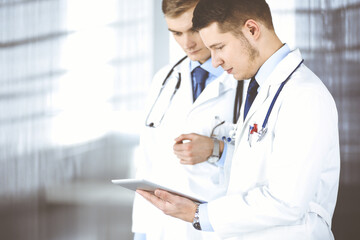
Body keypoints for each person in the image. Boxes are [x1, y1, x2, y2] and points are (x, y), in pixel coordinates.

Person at [137, 0, 341, 239]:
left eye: (219, 47)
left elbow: (287, 202)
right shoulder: (262, 89)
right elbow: (256, 170)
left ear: (252, 29)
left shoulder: (305, 95)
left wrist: (199, 214)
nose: (214, 61)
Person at [132, 0, 244, 239]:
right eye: (176, 33)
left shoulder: (246, 80)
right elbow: (147, 161)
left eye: (193, 29)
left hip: (219, 227)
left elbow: (268, 164)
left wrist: (218, 150)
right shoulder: (164, 79)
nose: (187, 43)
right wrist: (141, 233)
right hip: (163, 228)